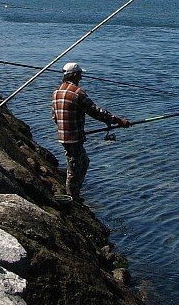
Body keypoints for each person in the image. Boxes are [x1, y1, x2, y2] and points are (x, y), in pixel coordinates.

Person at [51, 62, 130, 201]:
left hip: (63, 136)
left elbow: (54, 117)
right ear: (74, 75)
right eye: (80, 75)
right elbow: (95, 111)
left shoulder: (56, 92)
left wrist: (67, 127)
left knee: (83, 162)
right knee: (74, 167)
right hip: (73, 138)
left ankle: (75, 193)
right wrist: (117, 120)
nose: (81, 78)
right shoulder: (77, 92)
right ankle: (72, 197)